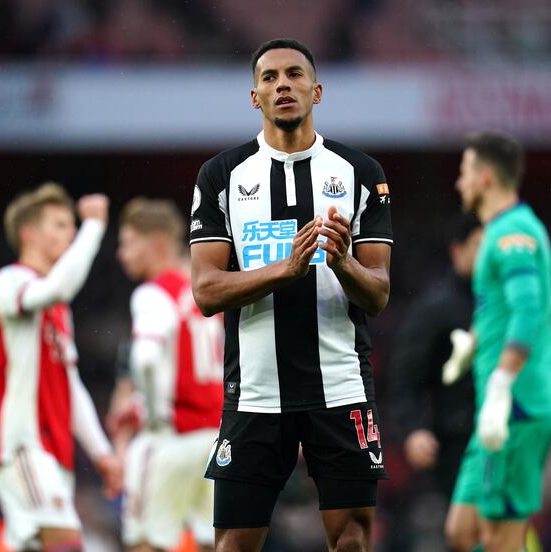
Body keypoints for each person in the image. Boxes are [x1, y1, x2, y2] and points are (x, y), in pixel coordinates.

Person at [189, 38, 393, 552]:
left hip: (340, 385)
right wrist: (286, 270)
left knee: (351, 539)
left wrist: (342, 261)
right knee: (234, 542)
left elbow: (378, 295)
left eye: (295, 74)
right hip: (256, 391)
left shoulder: (360, 173)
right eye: (270, 77)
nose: (283, 84)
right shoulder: (221, 176)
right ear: (254, 96)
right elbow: (207, 290)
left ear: (317, 90)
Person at [0, 183, 121, 552]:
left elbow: (70, 384)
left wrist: (101, 452)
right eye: (59, 225)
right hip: (23, 443)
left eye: (72, 225)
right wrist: (94, 226)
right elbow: (57, 289)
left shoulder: (59, 309)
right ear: (29, 233)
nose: (71, 232)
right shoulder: (10, 281)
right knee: (65, 543)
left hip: (54, 449)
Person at [445, 131, 551, 552]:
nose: (459, 183)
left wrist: (500, 386)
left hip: (516, 403)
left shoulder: (514, 234)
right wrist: (474, 343)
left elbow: (528, 311)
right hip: (498, 407)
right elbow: (504, 308)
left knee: (500, 538)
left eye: (464, 173)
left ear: (486, 178)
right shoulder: (499, 231)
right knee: (462, 531)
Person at [108, 198, 224, 552]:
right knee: (214, 543)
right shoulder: (212, 291)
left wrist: (156, 417)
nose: (121, 254)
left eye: (128, 243)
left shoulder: (153, 294)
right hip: (216, 441)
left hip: (171, 437)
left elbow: (144, 359)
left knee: (147, 544)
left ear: (157, 244)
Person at [388, 213, 481, 550]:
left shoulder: (505, 304)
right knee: (462, 534)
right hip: (456, 441)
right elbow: (405, 376)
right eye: (479, 247)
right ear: (457, 250)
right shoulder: (436, 309)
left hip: (506, 437)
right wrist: (413, 429)